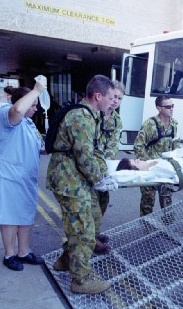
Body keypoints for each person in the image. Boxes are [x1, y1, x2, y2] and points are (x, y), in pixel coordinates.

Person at [47, 74, 116, 294]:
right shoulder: (82, 117)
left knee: (91, 220)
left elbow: (92, 152)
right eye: (111, 97)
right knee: (84, 230)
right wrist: (101, 180)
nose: (113, 102)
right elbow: (84, 157)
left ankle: (66, 260)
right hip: (69, 181)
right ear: (98, 96)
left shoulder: (88, 115)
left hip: (74, 179)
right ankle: (80, 280)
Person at [0, 81, 47, 272]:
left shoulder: (29, 123)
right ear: (23, 101)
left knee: (25, 215)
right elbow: (17, 111)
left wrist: (45, 148)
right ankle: (10, 254)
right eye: (33, 105)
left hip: (25, 178)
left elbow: (32, 145)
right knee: (10, 216)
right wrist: (36, 90)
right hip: (7, 176)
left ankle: (23, 252)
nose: (36, 109)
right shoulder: (6, 112)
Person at [133, 95, 180, 216]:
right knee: (148, 201)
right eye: (168, 106)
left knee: (167, 199)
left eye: (172, 106)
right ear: (159, 108)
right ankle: (146, 227)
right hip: (151, 169)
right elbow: (138, 146)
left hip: (165, 169)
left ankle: (169, 226)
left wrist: (178, 161)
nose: (171, 109)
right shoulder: (150, 124)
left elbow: (176, 145)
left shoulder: (174, 124)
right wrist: (148, 164)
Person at [93, 80, 125, 250]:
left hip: (104, 167)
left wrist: (107, 168)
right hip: (89, 166)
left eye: (119, 99)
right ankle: (90, 240)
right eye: (114, 97)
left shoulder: (117, 120)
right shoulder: (94, 113)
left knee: (103, 200)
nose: (115, 101)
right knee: (90, 205)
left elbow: (113, 146)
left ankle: (95, 233)